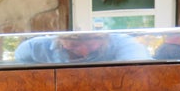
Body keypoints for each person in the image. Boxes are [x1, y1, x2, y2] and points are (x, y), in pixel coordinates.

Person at [15, 32, 149, 64]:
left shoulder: (123, 43)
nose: (84, 52)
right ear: (59, 40)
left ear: (105, 39)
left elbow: (138, 69)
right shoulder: (35, 47)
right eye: (74, 45)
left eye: (91, 45)